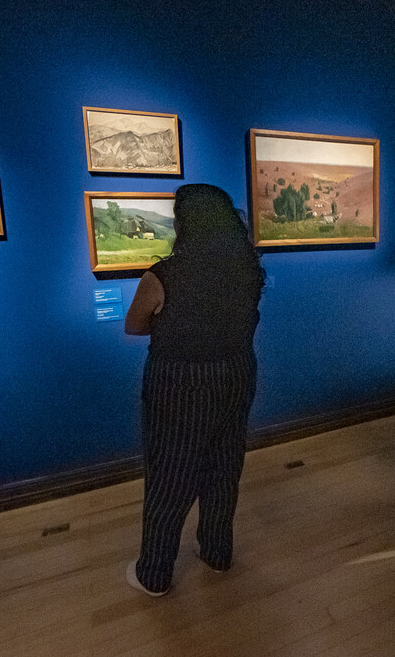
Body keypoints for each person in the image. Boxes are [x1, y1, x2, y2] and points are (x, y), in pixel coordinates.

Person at [122, 183, 266, 596]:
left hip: (181, 381)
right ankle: (217, 552)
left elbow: (134, 325)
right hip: (237, 372)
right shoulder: (248, 267)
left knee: (171, 474)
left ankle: (154, 573)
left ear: (185, 222)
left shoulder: (164, 275)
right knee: (224, 466)